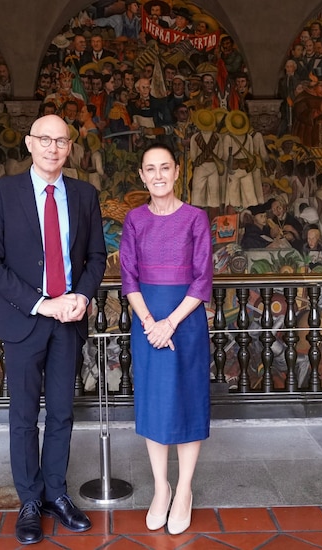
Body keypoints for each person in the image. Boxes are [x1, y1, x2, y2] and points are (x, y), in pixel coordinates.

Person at [0, 114, 106, 545]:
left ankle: (57, 493)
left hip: (68, 322)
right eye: (45, 140)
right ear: (30, 144)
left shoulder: (85, 194)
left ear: (70, 148)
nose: (54, 148)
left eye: (62, 141)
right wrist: (41, 303)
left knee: (63, 413)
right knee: (23, 416)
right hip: (25, 320)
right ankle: (29, 501)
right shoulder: (2, 193)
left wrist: (82, 298)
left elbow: (96, 258)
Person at [119, 142, 212, 536]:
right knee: (155, 405)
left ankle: (185, 489)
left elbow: (203, 277)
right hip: (146, 322)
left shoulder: (196, 218)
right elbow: (128, 278)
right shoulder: (134, 220)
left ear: (177, 172)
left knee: (188, 403)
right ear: (141, 175)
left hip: (184, 321)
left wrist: (169, 323)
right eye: (150, 169)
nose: (158, 175)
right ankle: (161, 488)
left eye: (165, 168)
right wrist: (149, 323)